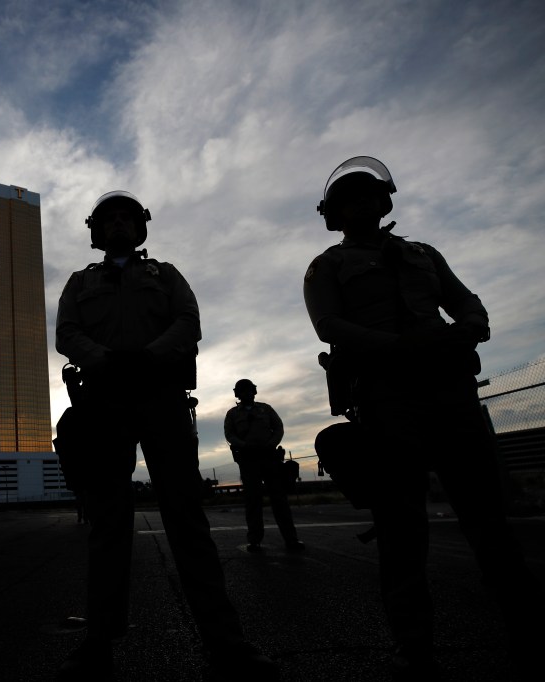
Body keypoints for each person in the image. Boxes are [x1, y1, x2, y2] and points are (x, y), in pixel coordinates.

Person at [303, 156, 543, 679]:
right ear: (334, 215)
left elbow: (467, 304)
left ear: (384, 200)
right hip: (389, 398)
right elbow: (330, 325)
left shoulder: (423, 254)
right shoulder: (328, 265)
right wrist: (400, 347)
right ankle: (414, 649)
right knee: (401, 528)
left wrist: (466, 330)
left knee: (488, 520)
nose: (362, 203)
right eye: (349, 199)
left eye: (369, 194)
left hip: (451, 390)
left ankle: (527, 630)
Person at [55, 191, 279, 680]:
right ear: (97, 231)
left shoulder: (167, 275)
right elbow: (66, 333)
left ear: (140, 229)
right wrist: (105, 360)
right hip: (104, 401)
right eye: (109, 219)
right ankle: (98, 643)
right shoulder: (80, 282)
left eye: (127, 218)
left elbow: (188, 322)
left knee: (186, 516)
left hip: (162, 395)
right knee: (107, 522)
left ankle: (226, 640)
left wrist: (150, 356)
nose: (118, 225)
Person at [223, 379, 303, 552]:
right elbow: (229, 434)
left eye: (249, 390)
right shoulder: (233, 414)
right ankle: (254, 540)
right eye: (243, 391)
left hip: (270, 458)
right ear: (237, 394)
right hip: (248, 460)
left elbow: (278, 427)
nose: (247, 394)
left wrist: (271, 443)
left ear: (254, 392)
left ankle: (291, 539)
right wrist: (244, 446)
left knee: (279, 500)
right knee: (253, 501)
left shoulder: (266, 409)